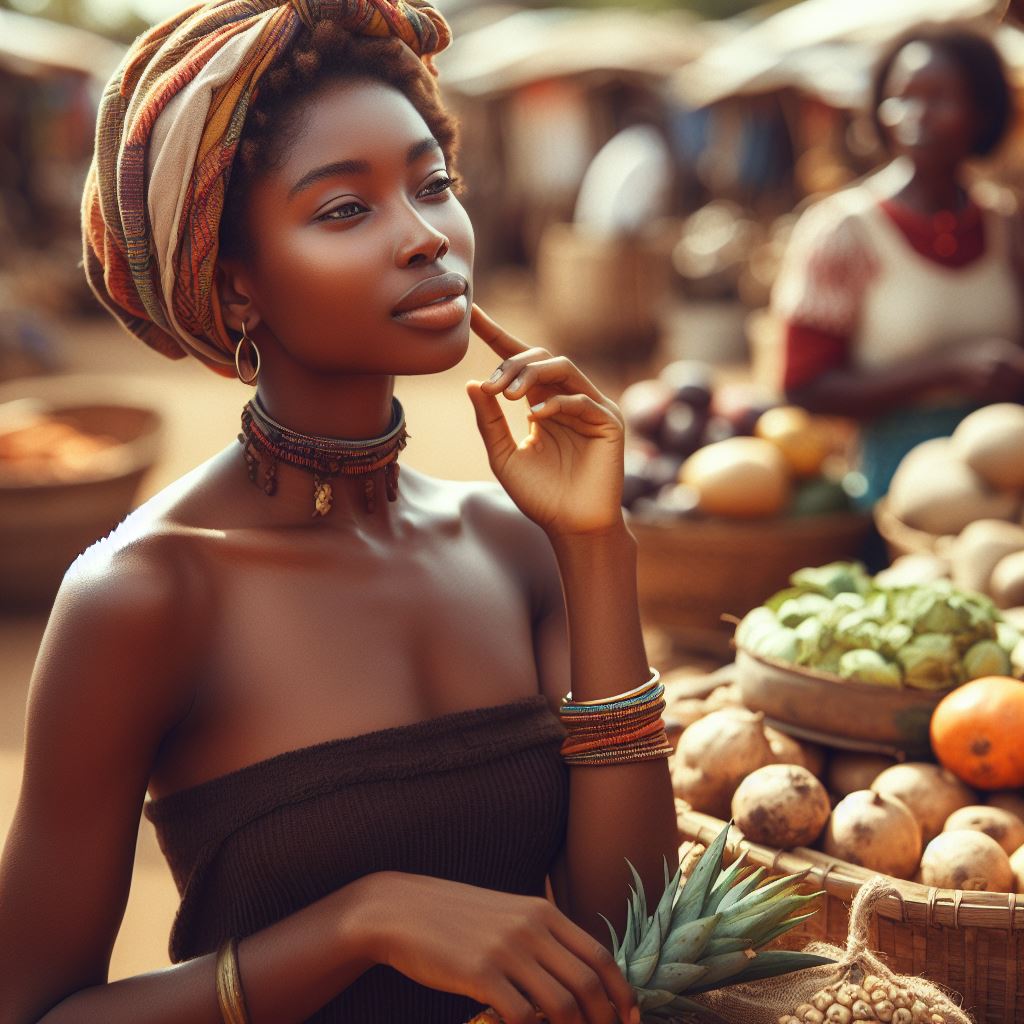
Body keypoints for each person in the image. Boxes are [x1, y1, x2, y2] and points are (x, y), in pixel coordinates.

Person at [0, 3, 677, 1023]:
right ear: (233, 289)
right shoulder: (142, 592)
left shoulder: (512, 546)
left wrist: (594, 546)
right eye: (343, 210)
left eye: (432, 184)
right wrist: (360, 921)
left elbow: (628, 941)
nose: (425, 238)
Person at [772, 23, 1024, 508]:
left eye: (941, 98)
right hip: (894, 493)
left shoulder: (1006, 225)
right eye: (902, 97)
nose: (916, 116)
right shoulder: (843, 231)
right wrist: (946, 370)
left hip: (1007, 490)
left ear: (983, 111)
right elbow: (802, 388)